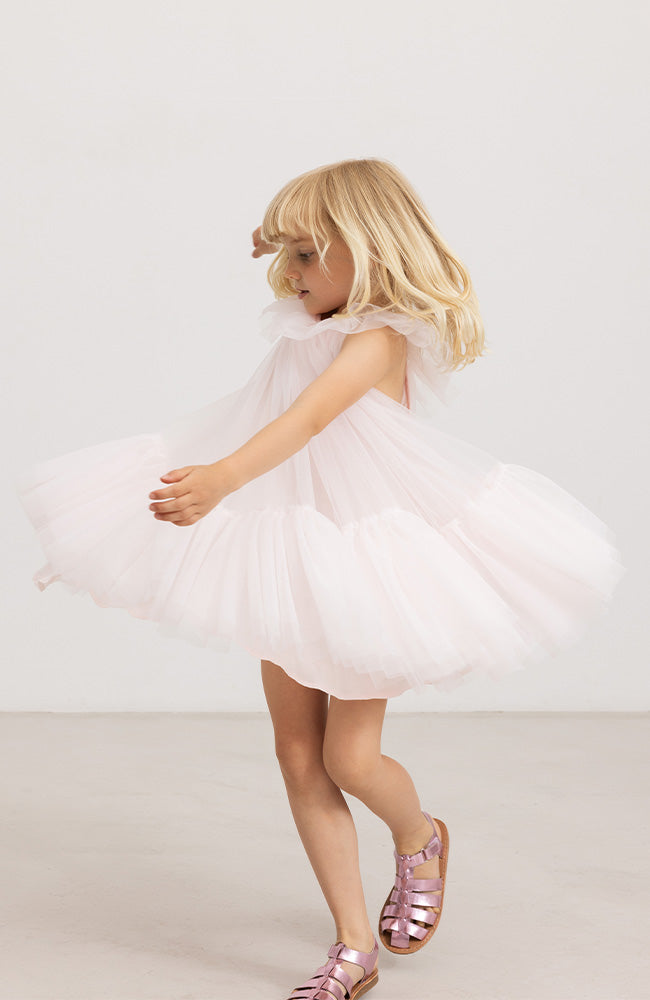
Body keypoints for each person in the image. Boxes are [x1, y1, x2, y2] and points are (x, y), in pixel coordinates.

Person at [16, 158, 625, 999]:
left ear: (364, 251)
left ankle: (419, 837)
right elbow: (301, 287)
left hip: (366, 563)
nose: (289, 273)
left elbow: (305, 420)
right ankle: (352, 946)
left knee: (351, 756)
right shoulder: (311, 318)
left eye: (307, 256)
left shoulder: (377, 338)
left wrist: (221, 480)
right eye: (287, 256)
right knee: (299, 755)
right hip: (290, 552)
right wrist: (285, 234)